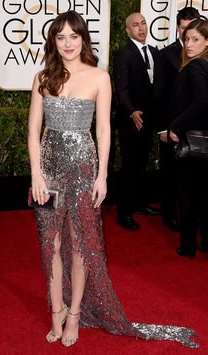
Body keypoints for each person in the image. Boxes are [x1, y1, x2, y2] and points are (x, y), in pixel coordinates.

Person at [28, 10, 199, 348]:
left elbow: (104, 132)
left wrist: (103, 175)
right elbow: (34, 130)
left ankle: (75, 313)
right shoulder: (43, 77)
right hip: (47, 169)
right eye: (60, 37)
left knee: (80, 245)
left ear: (83, 39)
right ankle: (56, 311)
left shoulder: (99, 77)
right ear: (53, 41)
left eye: (73, 36)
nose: (67, 44)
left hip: (83, 168)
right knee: (51, 246)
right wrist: (35, 172)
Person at [113, 12, 160, 231]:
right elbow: (121, 88)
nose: (141, 28)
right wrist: (132, 111)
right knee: (130, 166)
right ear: (127, 30)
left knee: (142, 165)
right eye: (135, 25)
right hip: (130, 121)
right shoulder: (124, 53)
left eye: (143, 24)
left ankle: (140, 204)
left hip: (148, 119)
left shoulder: (153, 52)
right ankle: (124, 213)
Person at [157, 7, 200, 232]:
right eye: (184, 28)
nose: (187, 33)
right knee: (169, 173)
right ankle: (168, 214)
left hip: (198, 126)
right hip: (172, 125)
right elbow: (161, 94)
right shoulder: (166, 55)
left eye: (193, 27)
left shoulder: (204, 53)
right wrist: (163, 128)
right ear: (177, 28)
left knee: (194, 178)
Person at [168, 18, 208, 257]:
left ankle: (187, 246)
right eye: (186, 39)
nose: (189, 44)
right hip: (204, 140)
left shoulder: (194, 67)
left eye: (195, 39)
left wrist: (175, 125)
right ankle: (204, 241)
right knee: (204, 194)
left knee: (186, 193)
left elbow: (202, 101)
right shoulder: (203, 65)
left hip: (192, 142)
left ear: (207, 41)